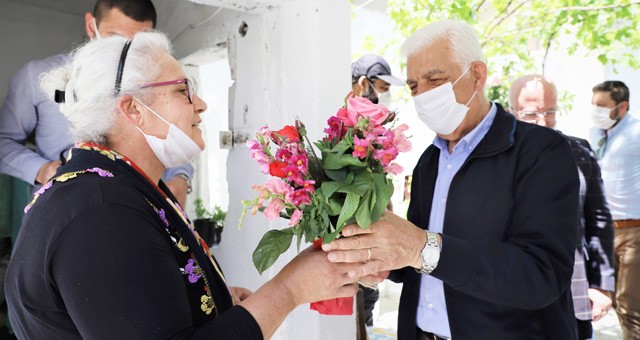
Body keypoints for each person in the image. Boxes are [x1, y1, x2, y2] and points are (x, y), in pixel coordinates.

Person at [4, 32, 364, 339]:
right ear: (133, 109)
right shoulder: (100, 212)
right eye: (183, 90)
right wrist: (289, 290)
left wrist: (215, 303)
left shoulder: (118, 188)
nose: (202, 104)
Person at [323, 20, 580, 339]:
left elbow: (541, 275)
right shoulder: (429, 161)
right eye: (415, 86)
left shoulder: (541, 151)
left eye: (435, 79)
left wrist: (419, 246)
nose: (423, 95)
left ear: (477, 74)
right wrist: (381, 256)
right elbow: (421, 265)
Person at [0, 0, 193, 208]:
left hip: (141, 209)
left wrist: (181, 177)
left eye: (137, 42)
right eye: (116, 38)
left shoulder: (157, 83)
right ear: (91, 26)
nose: (124, 52)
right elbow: (4, 143)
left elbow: (173, 133)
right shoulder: (36, 77)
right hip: (64, 207)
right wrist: (42, 169)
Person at [510, 74, 615, 340]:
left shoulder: (580, 150)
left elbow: (599, 218)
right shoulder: (498, 156)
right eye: (532, 114)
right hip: (513, 293)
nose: (543, 121)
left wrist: (601, 285)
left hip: (573, 290)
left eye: (550, 112)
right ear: (512, 112)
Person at [589, 80, 640, 339]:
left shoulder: (637, 132)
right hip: (607, 231)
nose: (596, 111)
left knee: (631, 306)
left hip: (634, 231)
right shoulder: (596, 134)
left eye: (602, 106)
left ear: (622, 107)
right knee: (616, 304)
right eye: (594, 104)